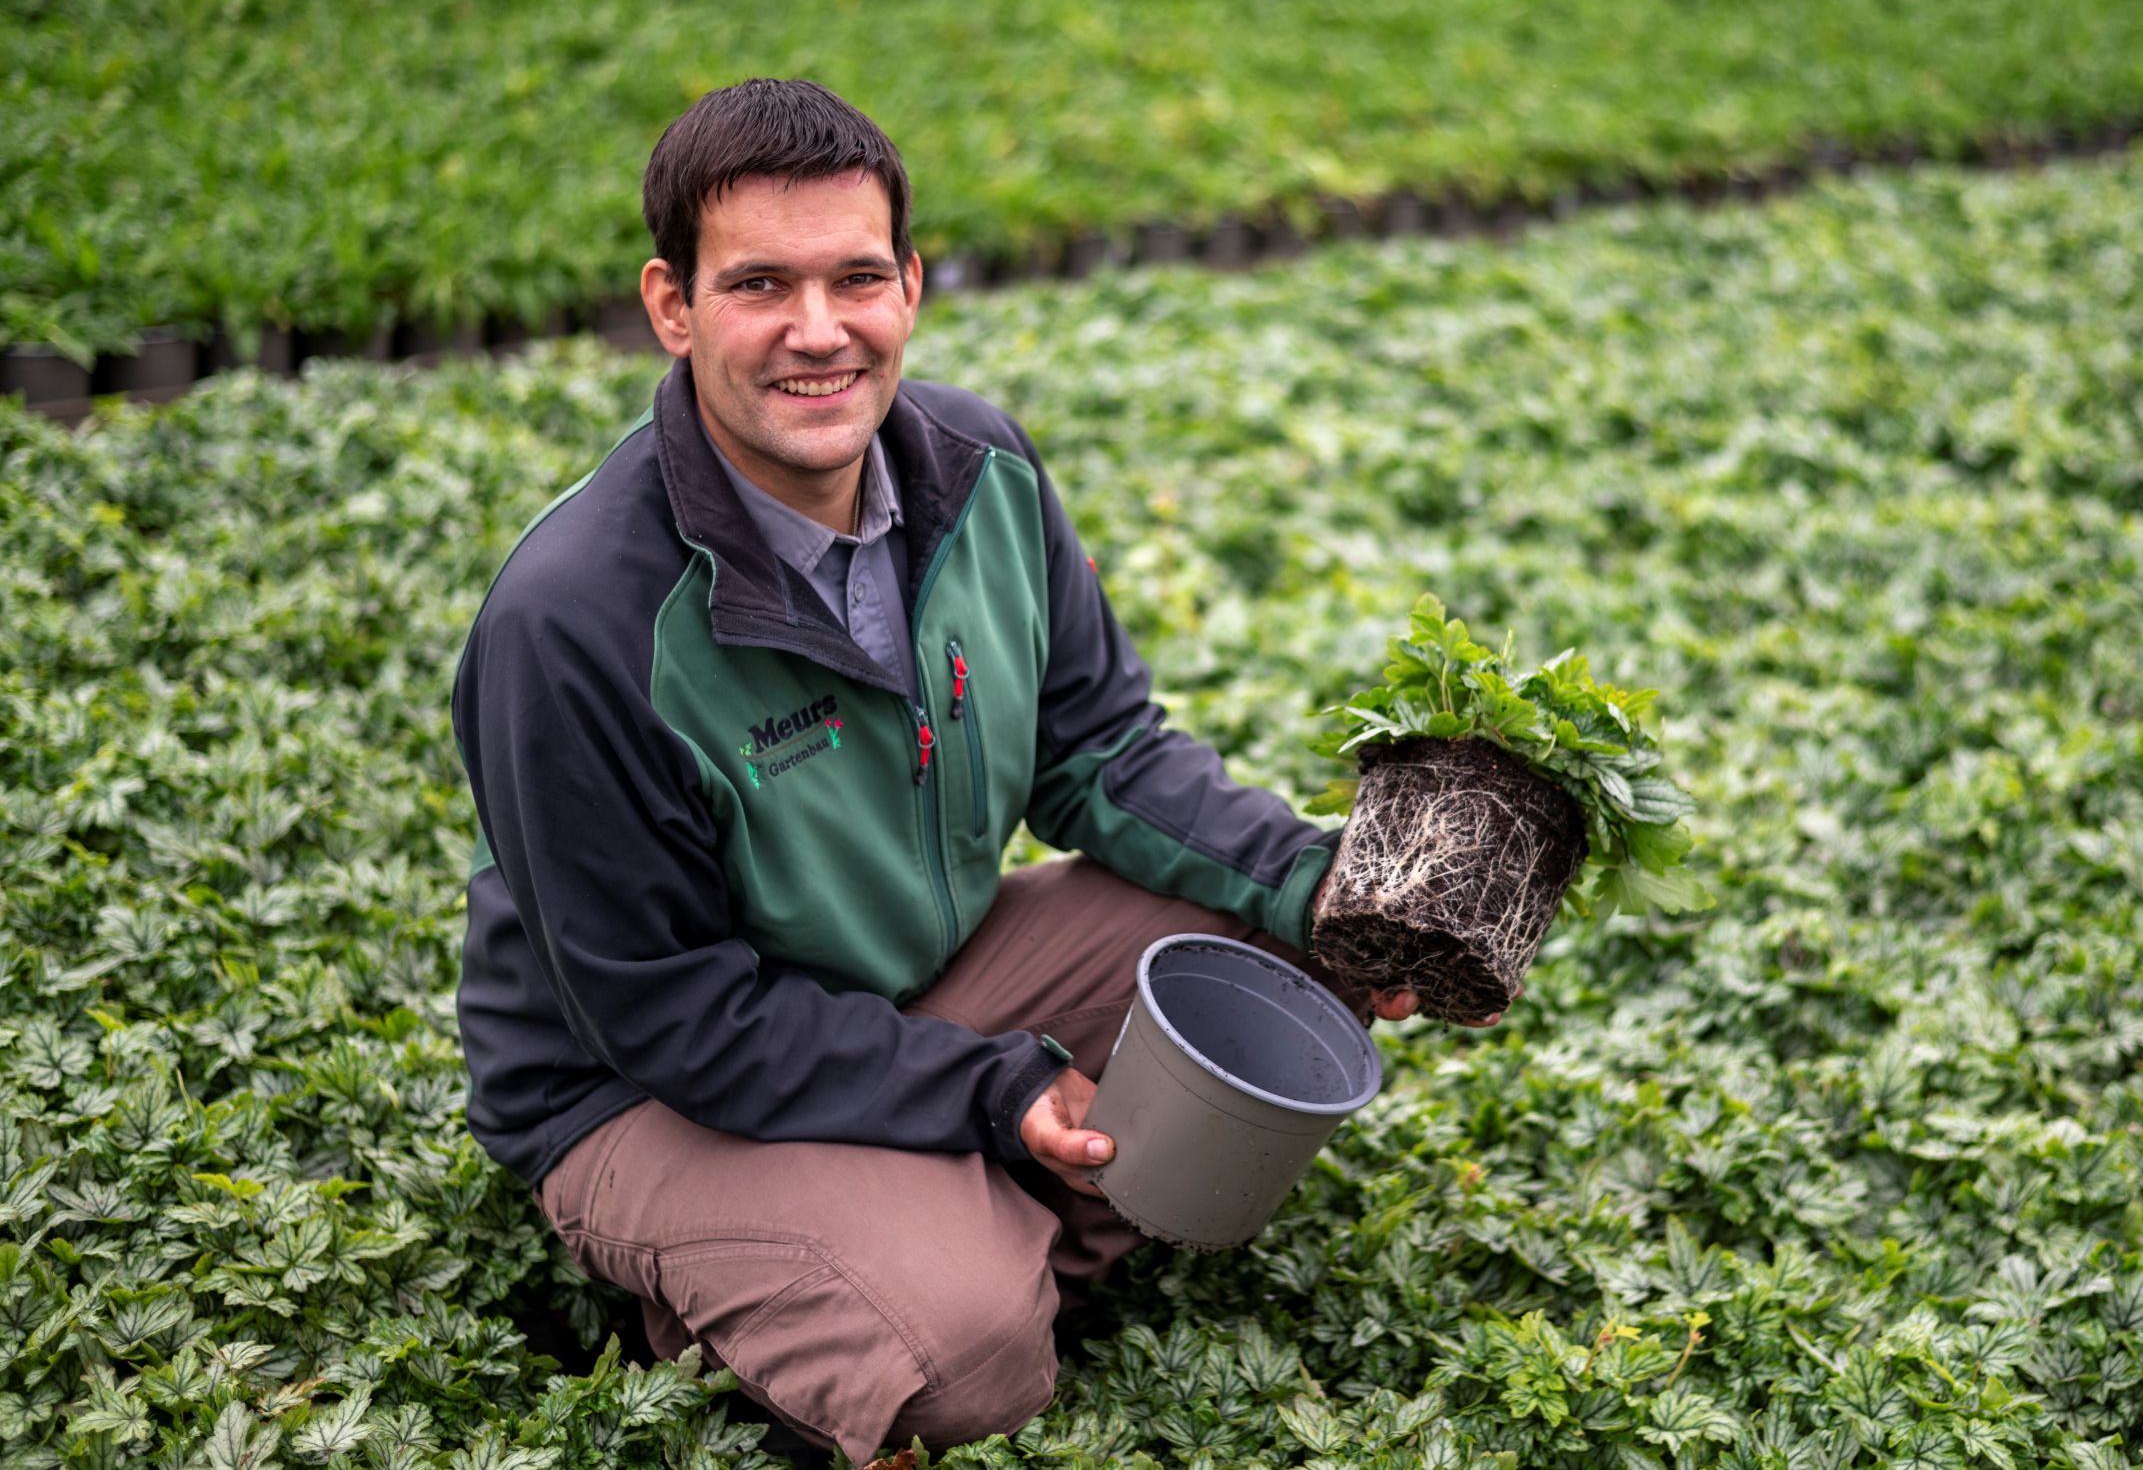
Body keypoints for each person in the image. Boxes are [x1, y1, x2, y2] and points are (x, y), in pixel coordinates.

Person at [450, 78, 1491, 1465]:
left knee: (1282, 961)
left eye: (856, 278)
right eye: (760, 283)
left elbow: (1101, 751)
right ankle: (814, 1279)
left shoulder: (980, 472)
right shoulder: (576, 623)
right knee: (970, 1351)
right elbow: (675, 1018)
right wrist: (986, 1090)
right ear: (673, 305)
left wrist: (1322, 884)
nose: (818, 332)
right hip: (639, 1090)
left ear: (912, 286)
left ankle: (899, 1227)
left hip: (911, 982)